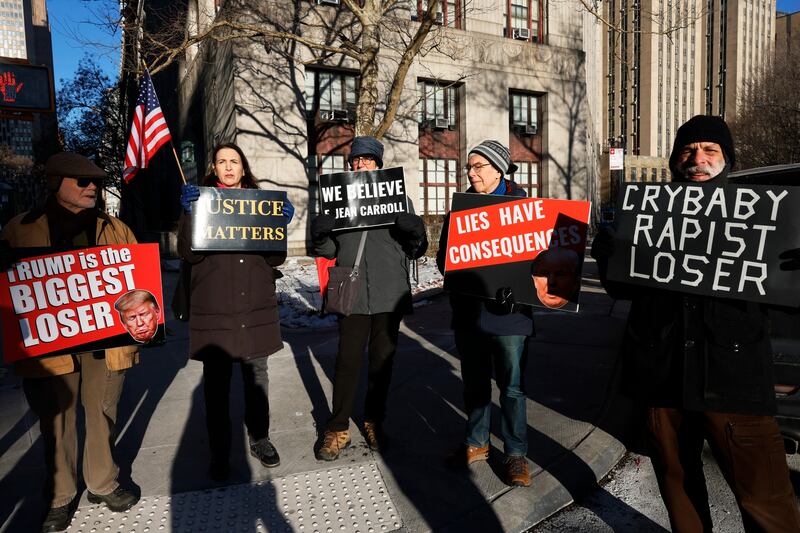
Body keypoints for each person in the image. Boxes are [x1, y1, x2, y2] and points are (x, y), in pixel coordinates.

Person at [592, 115, 800, 532]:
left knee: (766, 500)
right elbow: (621, 291)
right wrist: (610, 253)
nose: (697, 160)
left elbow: (786, 301)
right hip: (663, 381)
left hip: (735, 382)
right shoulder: (647, 213)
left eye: (710, 151)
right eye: (688, 151)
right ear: (675, 159)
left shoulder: (762, 218)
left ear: (726, 160)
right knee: (679, 489)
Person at [0, 153, 140, 532]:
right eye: (81, 180)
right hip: (49, 345)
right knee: (57, 420)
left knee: (102, 411)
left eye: (95, 180)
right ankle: (61, 496)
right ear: (55, 182)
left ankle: (102, 482)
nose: (91, 186)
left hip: (104, 343)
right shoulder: (19, 230)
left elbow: (139, 285)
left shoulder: (116, 228)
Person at [178, 142, 295, 481]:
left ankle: (260, 438)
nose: (228, 167)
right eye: (222, 162)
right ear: (214, 168)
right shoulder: (200, 202)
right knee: (216, 387)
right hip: (215, 309)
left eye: (235, 161)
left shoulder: (262, 204)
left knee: (257, 379)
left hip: (254, 306)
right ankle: (220, 451)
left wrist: (280, 226)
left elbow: (275, 259)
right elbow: (189, 255)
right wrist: (188, 214)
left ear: (244, 169)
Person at [310, 136, 428, 460]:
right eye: (355, 161)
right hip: (353, 293)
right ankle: (337, 429)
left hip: (390, 293)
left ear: (379, 164)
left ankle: (375, 420)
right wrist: (319, 235)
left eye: (367, 160)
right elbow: (330, 249)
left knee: (382, 364)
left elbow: (416, 248)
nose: (360, 165)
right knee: (347, 362)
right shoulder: (339, 200)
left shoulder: (398, 199)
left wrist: (416, 231)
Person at [436, 140, 535, 487]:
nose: (472, 172)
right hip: (469, 313)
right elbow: (442, 261)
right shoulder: (461, 209)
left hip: (510, 317)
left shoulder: (525, 208)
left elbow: (540, 265)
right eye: (469, 167)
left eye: (479, 166)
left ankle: (516, 454)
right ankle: (477, 443)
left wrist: (519, 291)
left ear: (499, 169)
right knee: (475, 384)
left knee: (511, 388)